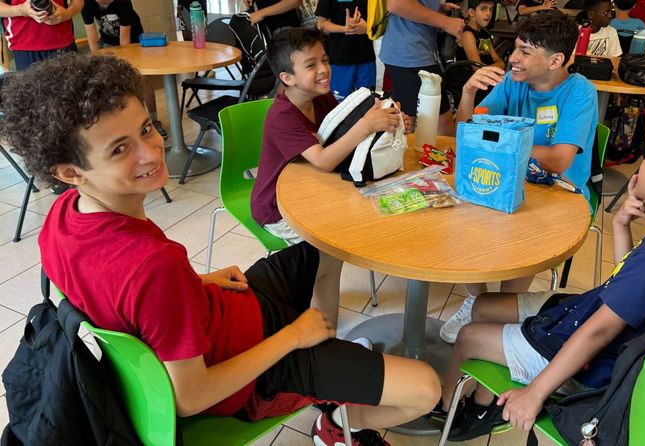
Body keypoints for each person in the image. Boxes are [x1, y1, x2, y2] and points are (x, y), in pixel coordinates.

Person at [0, 52, 440, 446]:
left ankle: (326, 359)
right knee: (426, 388)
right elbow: (191, 398)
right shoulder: (153, 267)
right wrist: (294, 337)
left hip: (222, 310)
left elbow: (117, 298)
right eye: (120, 149)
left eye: (147, 129)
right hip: (246, 377)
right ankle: (339, 419)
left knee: (322, 247)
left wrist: (198, 282)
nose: (152, 153)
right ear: (71, 172)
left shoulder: (64, 214)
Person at [434, 120, 645, 441]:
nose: (644, 163)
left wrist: (536, 392)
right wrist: (622, 225)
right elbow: (629, 283)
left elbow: (597, 332)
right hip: (609, 336)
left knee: (470, 336)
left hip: (595, 368)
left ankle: (450, 411)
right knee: (486, 304)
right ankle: (484, 402)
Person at [442, 9, 598, 344]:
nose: (512, 58)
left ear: (555, 60)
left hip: (559, 193)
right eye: (515, 48)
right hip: (510, 177)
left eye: (525, 52)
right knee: (462, 216)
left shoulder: (579, 91)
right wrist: (468, 92)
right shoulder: (514, 83)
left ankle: (503, 314)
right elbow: (470, 133)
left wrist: (498, 146)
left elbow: (558, 160)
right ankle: (477, 301)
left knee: (521, 242)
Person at [250, 28, 400, 245]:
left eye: (325, 60)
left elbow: (340, 131)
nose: (324, 70)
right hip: (278, 209)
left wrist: (385, 115)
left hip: (311, 187)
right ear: (287, 78)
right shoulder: (281, 116)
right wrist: (366, 125)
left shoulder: (319, 96)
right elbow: (324, 161)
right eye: (311, 65)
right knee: (340, 234)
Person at [81, 0, 167, 138]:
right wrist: (95, 63)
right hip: (108, 40)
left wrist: (123, 67)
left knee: (141, 78)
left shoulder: (123, 2)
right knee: (107, 79)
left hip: (132, 41)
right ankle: (122, 122)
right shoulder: (87, 4)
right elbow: (92, 37)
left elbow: (124, 42)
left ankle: (153, 119)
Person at [378, 0, 464, 134]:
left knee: (413, 125)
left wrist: (437, 6)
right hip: (411, 57)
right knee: (426, 127)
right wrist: (446, 22)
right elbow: (396, 4)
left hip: (413, 55)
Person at [315, 0, 376, 101]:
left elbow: (381, 20)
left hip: (366, 57)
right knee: (339, 105)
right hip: (340, 58)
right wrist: (345, 29)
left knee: (368, 101)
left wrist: (367, 27)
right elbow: (321, 24)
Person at [0, 0, 83, 71]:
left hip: (63, 42)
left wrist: (68, 13)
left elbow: (79, 1)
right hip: (24, 46)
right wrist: (20, 9)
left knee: (72, 88)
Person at [456, 0, 505, 69]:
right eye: (483, 9)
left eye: (491, 9)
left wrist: (497, 65)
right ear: (471, 12)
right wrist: (497, 66)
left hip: (487, 74)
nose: (489, 14)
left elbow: (498, 60)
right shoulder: (468, 34)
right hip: (471, 78)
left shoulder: (484, 33)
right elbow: (477, 67)